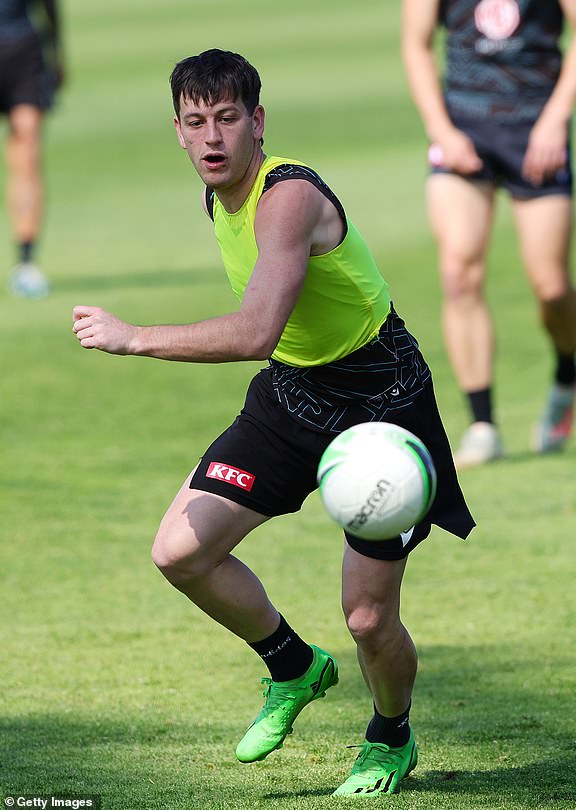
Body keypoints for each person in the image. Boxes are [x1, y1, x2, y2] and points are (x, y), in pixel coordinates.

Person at [72, 49, 475, 797]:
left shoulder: (285, 196)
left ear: (258, 121)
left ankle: (390, 734)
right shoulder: (213, 191)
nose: (212, 137)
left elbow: (256, 330)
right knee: (179, 552)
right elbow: (278, 348)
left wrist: (136, 337)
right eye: (196, 123)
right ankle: (293, 665)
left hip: (381, 409)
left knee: (366, 619)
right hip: (294, 394)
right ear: (179, 132)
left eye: (228, 118)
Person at [402, 0, 576, 468]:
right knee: (459, 273)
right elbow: (416, 43)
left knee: (551, 286)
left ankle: (567, 374)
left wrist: (557, 118)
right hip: (463, 128)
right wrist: (440, 128)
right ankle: (483, 424)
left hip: (538, 128)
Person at [1, 0, 64, 299]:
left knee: (27, 149)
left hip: (21, 46)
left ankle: (26, 263)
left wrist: (56, 49)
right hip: (22, 46)